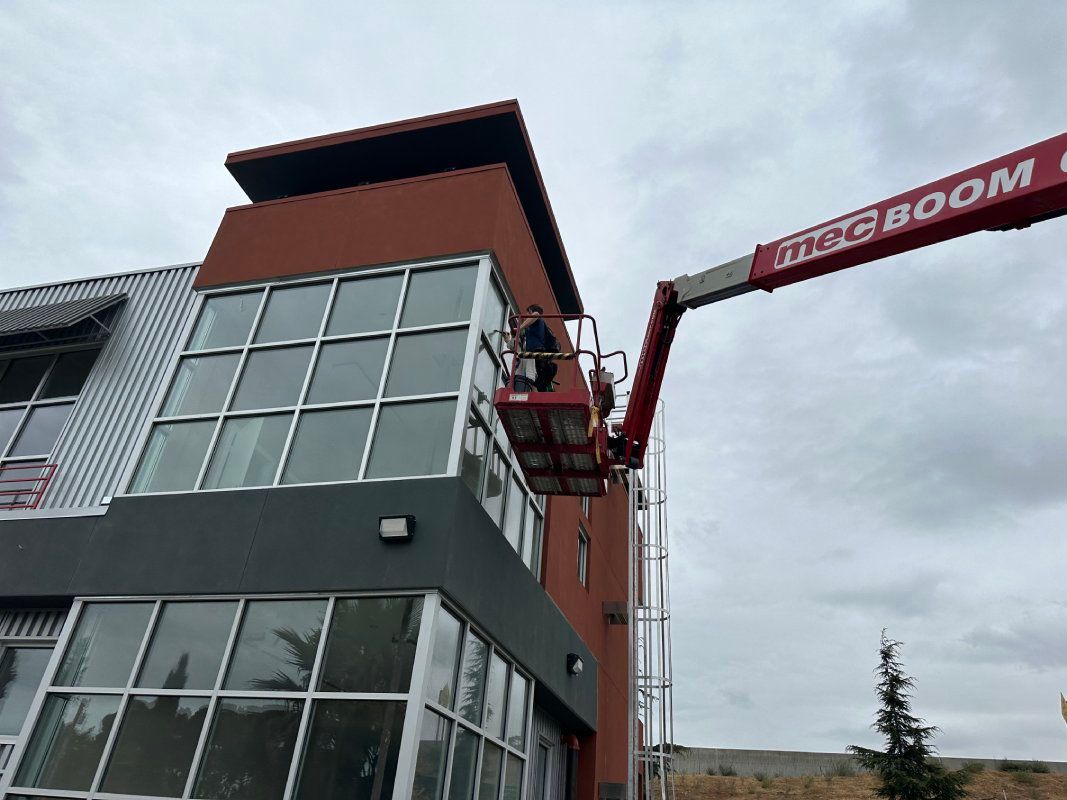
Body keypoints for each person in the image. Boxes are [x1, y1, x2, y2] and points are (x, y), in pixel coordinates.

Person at [502, 304, 559, 392]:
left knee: (530, 374)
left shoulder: (537, 320)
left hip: (534, 353)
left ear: (531, 312)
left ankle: (532, 393)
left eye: (527, 313)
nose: (525, 316)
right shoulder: (526, 333)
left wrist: (519, 328)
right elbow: (516, 346)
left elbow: (536, 314)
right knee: (519, 376)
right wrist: (508, 339)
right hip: (524, 358)